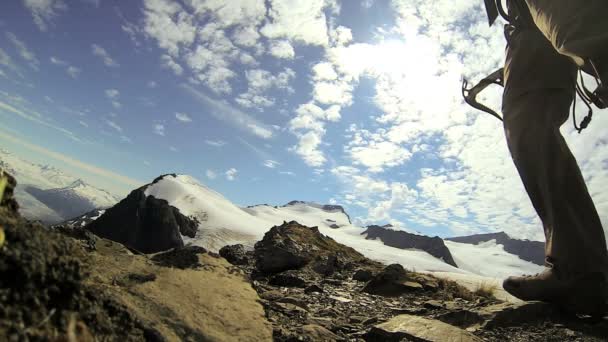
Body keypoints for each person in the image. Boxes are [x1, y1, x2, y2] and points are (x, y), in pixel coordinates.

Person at [483, 0, 608, 316]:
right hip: (529, 30)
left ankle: (578, 271)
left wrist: (598, 46)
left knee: (527, 121)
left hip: (537, 25)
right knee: (526, 121)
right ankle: (579, 270)